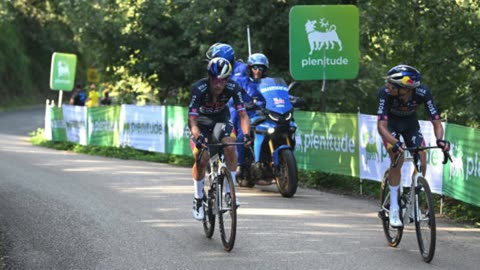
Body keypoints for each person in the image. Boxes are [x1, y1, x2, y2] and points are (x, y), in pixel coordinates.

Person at [377, 64, 450, 228]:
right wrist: (395, 143)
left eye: (392, 85)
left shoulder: (422, 92)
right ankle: (395, 206)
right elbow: (381, 126)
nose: (387, 87)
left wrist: (440, 140)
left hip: (410, 124)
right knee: (398, 156)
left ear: (406, 88)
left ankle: (414, 198)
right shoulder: (385, 93)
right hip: (390, 126)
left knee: (422, 156)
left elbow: (436, 122)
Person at [188, 57, 251, 220]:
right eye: (215, 80)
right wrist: (198, 137)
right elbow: (192, 120)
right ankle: (198, 198)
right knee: (202, 159)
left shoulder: (233, 87)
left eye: (223, 81)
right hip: (201, 123)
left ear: (227, 79)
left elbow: (243, 114)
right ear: (209, 78)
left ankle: (230, 193)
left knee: (230, 146)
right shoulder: (199, 88)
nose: (219, 85)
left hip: (221, 120)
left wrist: (246, 135)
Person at [230, 53, 269, 179]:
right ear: (250, 68)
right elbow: (234, 95)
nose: (258, 71)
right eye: (255, 67)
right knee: (242, 135)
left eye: (261, 68)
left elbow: (277, 94)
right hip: (244, 112)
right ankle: (240, 164)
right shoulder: (241, 80)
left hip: (262, 113)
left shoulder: (268, 83)